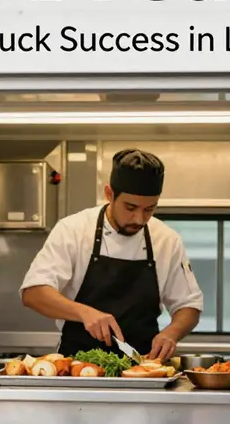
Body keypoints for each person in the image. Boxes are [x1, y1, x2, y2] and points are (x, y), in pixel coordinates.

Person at [20, 148, 203, 363]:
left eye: (149, 209)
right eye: (130, 207)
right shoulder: (74, 230)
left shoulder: (167, 240)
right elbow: (33, 293)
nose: (139, 218)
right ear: (109, 194)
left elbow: (189, 305)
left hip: (142, 366)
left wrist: (171, 333)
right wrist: (84, 313)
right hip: (76, 366)